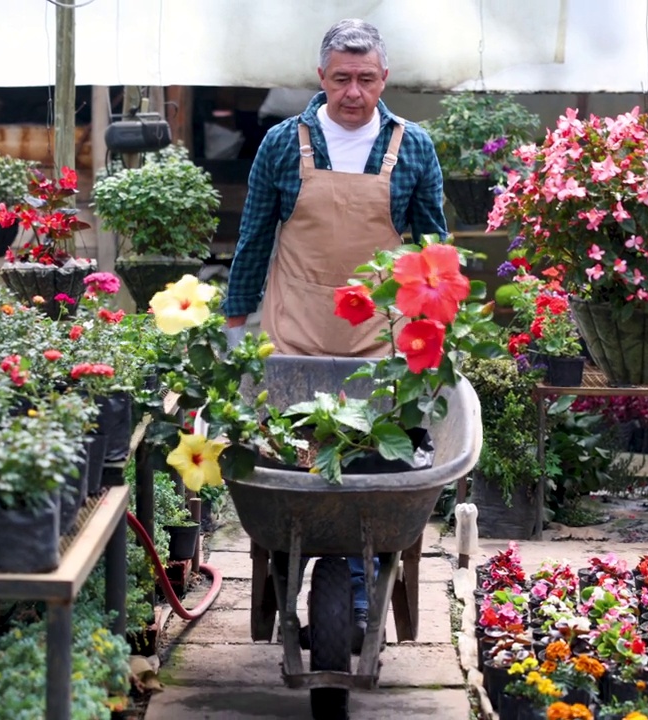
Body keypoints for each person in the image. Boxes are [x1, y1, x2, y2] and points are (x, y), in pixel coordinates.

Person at [222, 18, 448, 652]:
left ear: (385, 79)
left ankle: (360, 583)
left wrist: (438, 324)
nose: (354, 92)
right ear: (320, 78)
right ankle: (295, 574)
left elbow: (433, 243)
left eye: (366, 79)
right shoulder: (281, 145)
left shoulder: (413, 146)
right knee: (291, 460)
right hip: (296, 334)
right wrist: (236, 326)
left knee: (375, 465)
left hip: (381, 339)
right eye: (342, 78)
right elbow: (255, 239)